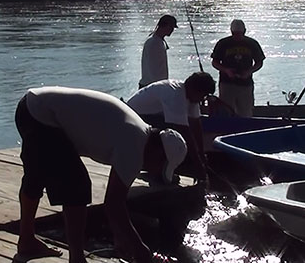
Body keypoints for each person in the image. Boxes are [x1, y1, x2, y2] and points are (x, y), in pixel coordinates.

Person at [15, 86, 186, 263]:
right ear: (158, 153)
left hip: (29, 106)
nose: (155, 172)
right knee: (77, 185)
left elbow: (114, 203)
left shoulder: (139, 133)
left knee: (36, 175)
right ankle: (77, 259)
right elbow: (113, 204)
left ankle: (26, 241)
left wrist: (120, 236)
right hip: (41, 116)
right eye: (161, 166)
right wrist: (141, 250)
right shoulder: (135, 145)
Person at [127, 72, 216, 183]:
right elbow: (185, 132)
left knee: (173, 132)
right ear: (194, 89)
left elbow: (196, 125)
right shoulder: (176, 95)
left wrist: (202, 154)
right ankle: (157, 172)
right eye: (202, 96)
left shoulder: (191, 97)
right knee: (171, 136)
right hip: (133, 118)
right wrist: (198, 166)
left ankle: (161, 167)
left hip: (152, 116)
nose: (202, 100)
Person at [211, 19, 265, 117]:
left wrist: (249, 71)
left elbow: (259, 62)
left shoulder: (252, 43)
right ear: (231, 32)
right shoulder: (223, 43)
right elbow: (215, 62)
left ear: (244, 31)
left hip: (246, 84)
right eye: (235, 33)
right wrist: (226, 70)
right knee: (226, 112)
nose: (237, 36)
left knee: (245, 112)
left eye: (239, 33)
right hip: (226, 83)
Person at [139, 15, 177, 88]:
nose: (172, 30)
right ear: (165, 26)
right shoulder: (155, 43)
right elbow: (154, 70)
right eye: (171, 27)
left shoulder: (157, 40)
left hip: (152, 85)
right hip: (152, 86)